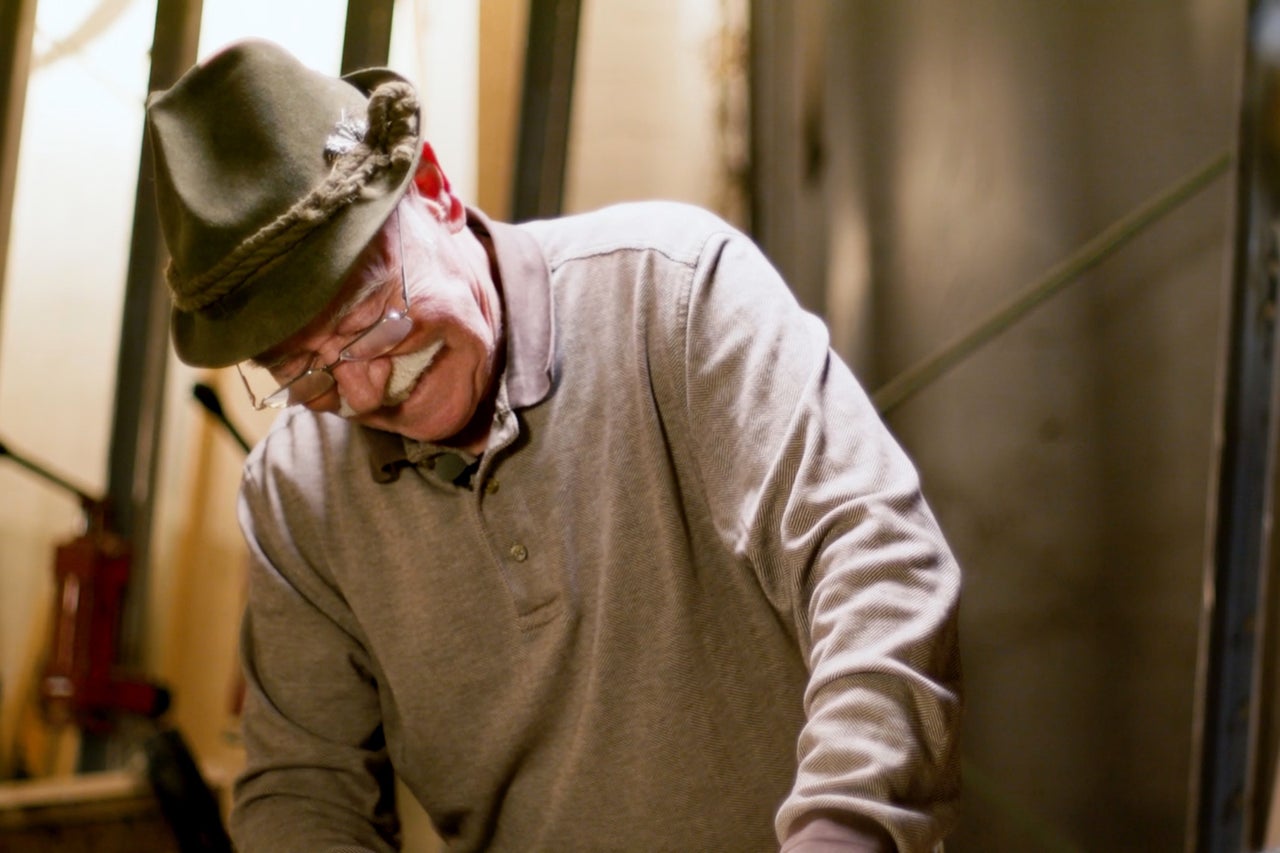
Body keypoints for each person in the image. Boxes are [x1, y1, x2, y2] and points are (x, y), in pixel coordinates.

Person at [146, 38, 962, 853]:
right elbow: (304, 789)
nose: (362, 392)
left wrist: (845, 829)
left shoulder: (673, 290)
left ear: (429, 188)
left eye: (371, 321)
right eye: (303, 374)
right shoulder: (294, 492)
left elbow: (874, 558)